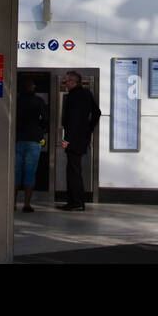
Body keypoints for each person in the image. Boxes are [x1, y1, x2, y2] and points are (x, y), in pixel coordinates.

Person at [57, 71, 100, 211]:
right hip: (82, 138)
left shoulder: (72, 96)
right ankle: (77, 201)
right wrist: (89, 129)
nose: (66, 83)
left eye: (67, 81)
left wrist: (67, 139)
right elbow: (97, 112)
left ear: (73, 82)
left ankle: (75, 202)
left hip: (73, 138)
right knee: (76, 169)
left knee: (73, 171)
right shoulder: (87, 94)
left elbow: (73, 119)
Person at [15, 76, 47, 212]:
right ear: (32, 87)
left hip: (17, 139)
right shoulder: (39, 101)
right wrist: (41, 130)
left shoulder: (16, 101)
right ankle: (27, 204)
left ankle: (12, 204)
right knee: (30, 172)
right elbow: (45, 120)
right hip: (34, 140)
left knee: (15, 172)